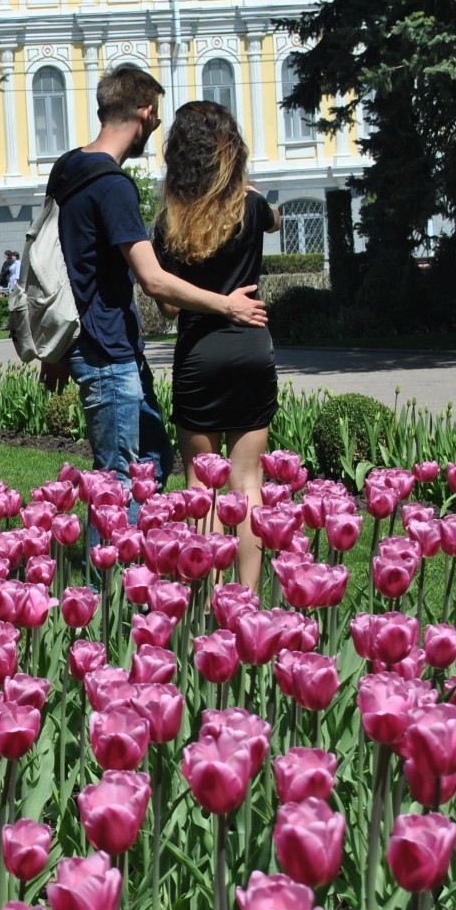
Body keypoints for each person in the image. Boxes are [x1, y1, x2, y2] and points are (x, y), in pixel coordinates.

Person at [40, 67, 266, 542]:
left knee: (155, 461)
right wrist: (227, 306)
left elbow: (58, 264)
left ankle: (140, 576)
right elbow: (156, 282)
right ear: (143, 112)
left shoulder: (68, 167)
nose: (158, 127)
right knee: (119, 485)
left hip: (95, 343)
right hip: (108, 352)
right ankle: (113, 591)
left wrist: (56, 349)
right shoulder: (113, 186)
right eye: (157, 115)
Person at [151, 100, 282, 587]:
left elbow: (167, 307)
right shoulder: (251, 207)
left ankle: (206, 599)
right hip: (250, 346)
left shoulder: (169, 222)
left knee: (201, 485)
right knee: (247, 483)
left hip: (199, 355)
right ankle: (246, 601)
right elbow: (276, 219)